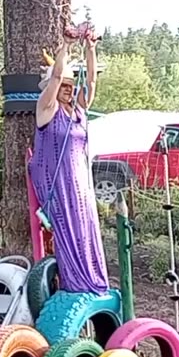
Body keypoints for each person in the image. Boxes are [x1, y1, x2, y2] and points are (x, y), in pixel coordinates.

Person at [28, 27, 110, 295]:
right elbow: (53, 80)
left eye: (70, 86)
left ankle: (92, 281)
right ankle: (74, 284)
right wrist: (66, 45)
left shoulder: (78, 110)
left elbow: (93, 84)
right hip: (56, 178)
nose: (67, 90)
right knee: (67, 227)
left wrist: (90, 48)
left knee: (86, 227)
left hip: (79, 180)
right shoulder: (46, 108)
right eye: (63, 86)